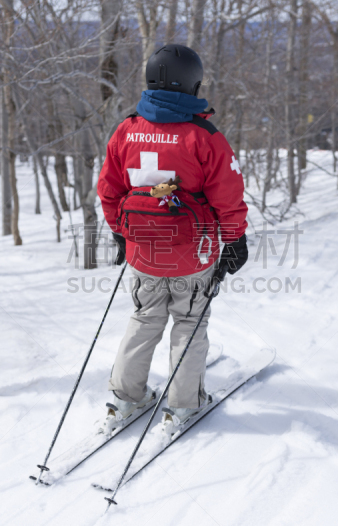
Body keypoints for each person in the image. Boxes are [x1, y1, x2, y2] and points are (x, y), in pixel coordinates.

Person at [97, 44, 249, 431]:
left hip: (143, 250)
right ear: (192, 84)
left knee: (144, 318)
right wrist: (234, 240)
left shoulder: (127, 130)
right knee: (190, 322)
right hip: (193, 253)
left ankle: (125, 397)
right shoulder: (204, 136)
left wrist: (119, 232)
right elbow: (226, 196)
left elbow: (109, 189)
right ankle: (184, 405)